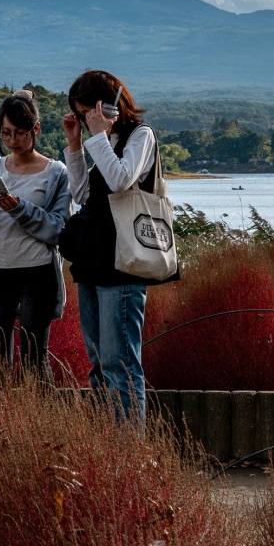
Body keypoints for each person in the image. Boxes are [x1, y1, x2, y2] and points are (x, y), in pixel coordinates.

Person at [61, 68, 164, 421]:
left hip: (124, 263)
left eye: (87, 110)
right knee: (99, 364)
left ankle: (130, 453)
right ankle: (108, 447)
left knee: (120, 363)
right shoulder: (105, 140)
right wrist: (76, 146)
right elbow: (82, 194)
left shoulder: (140, 136)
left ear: (109, 104)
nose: (85, 118)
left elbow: (121, 180)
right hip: (92, 260)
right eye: (79, 113)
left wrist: (97, 137)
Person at [0, 90, 70, 379]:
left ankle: (39, 420)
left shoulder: (56, 173)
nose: (11, 140)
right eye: (5, 133)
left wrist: (19, 208)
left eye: (20, 133)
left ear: (35, 129)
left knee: (36, 361)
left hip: (38, 274)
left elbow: (59, 229)